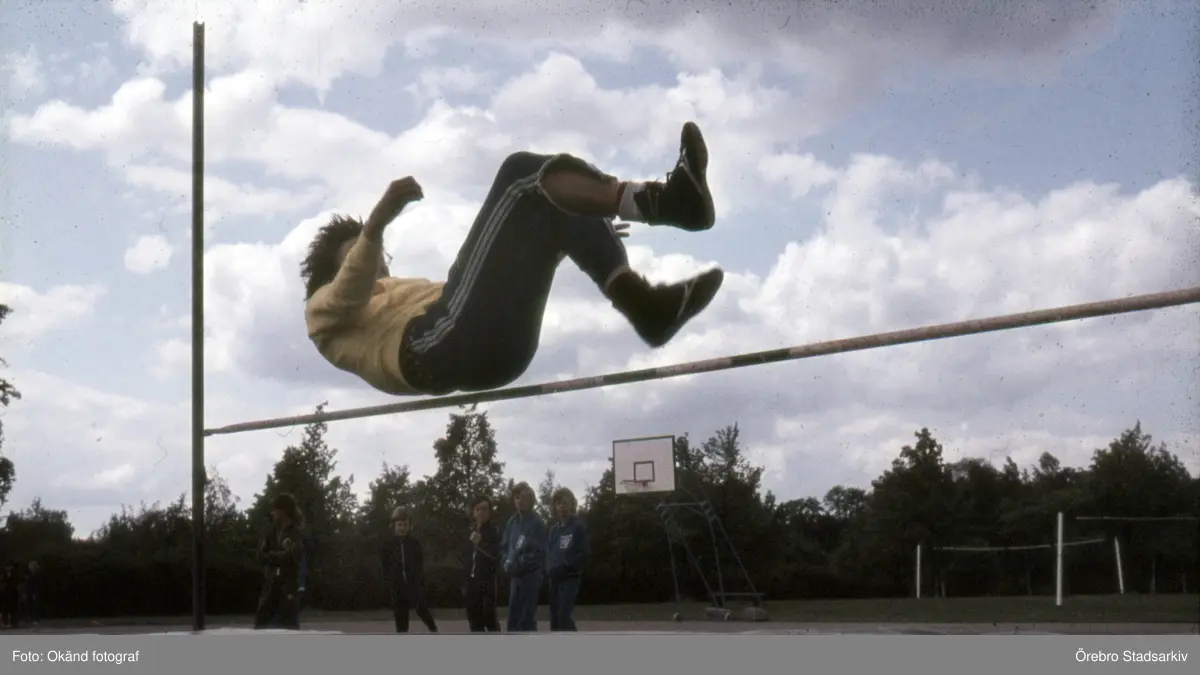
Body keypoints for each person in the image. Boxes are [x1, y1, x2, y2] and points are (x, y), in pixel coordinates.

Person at [301, 121, 725, 397]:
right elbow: (348, 291)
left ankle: (645, 306)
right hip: (435, 347)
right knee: (519, 174)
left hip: (499, 350)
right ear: (337, 270)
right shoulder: (321, 315)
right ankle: (663, 202)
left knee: (554, 208)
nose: (378, 264)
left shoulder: (398, 292)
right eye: (362, 257)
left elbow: (488, 281)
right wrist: (374, 226)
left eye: (379, 256)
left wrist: (575, 227)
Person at [382, 507, 438, 633]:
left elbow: (420, 563)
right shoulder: (388, 544)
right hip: (397, 587)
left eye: (405, 525)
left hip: (414, 585)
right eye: (400, 525)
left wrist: (420, 581)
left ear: (410, 526)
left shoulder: (415, 543)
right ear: (394, 526)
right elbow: (385, 565)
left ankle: (434, 630)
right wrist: (389, 582)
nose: (402, 528)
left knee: (423, 610)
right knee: (401, 618)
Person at [253, 494, 306, 630]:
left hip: (288, 587)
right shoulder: (271, 532)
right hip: (270, 586)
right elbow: (260, 555)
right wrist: (276, 556)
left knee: (289, 627)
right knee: (261, 623)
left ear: (284, 511)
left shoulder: (296, 533)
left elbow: (293, 554)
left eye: (275, 509)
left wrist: (273, 555)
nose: (272, 513)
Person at [500, 482, 546, 632]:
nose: (521, 500)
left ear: (531, 500)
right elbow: (505, 547)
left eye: (525, 497)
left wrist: (518, 564)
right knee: (513, 618)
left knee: (526, 618)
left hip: (530, 577)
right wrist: (505, 562)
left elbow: (538, 553)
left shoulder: (537, 523)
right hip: (515, 577)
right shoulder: (511, 523)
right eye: (517, 497)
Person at [546, 487, 590, 632]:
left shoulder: (578, 527)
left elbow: (584, 553)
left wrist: (566, 566)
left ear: (572, 504)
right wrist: (549, 568)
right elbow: (550, 552)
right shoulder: (554, 530)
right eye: (559, 503)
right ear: (554, 506)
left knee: (563, 616)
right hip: (554, 578)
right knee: (554, 619)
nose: (562, 506)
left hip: (570, 577)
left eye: (565, 503)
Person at [461, 495, 501, 632]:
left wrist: (480, 543)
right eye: (477, 509)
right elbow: (464, 556)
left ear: (489, 511)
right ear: (473, 512)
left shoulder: (494, 531)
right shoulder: (468, 531)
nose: (481, 512)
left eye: (484, 509)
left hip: (487, 580)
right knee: (473, 618)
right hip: (471, 582)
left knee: (489, 616)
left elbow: (496, 555)